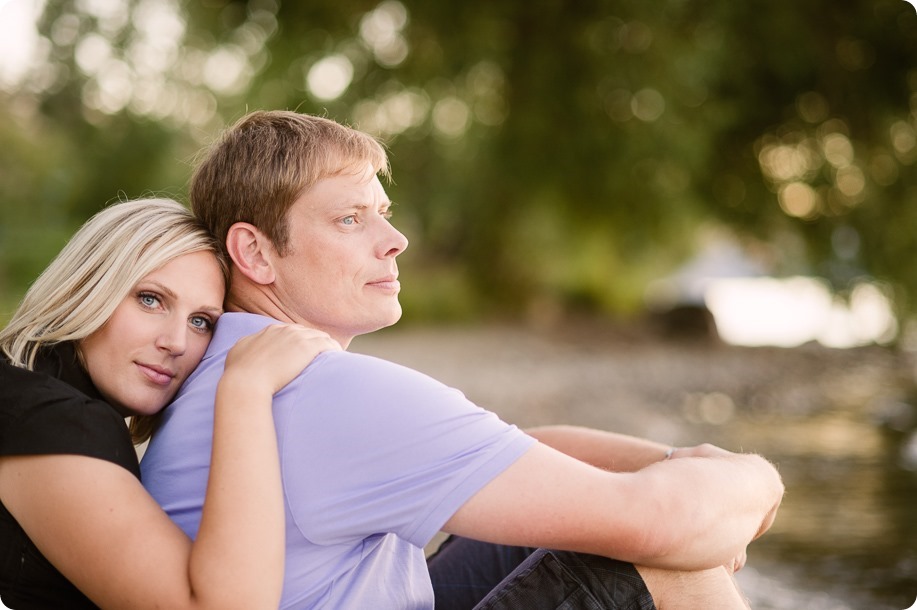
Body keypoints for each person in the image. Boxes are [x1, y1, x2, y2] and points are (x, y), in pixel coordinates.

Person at [141, 111, 785, 609]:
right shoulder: (328, 392)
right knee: (668, 556)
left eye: (383, 215)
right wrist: (756, 481)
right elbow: (665, 525)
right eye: (349, 219)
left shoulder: (223, 362)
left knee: (543, 505)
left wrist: (674, 462)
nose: (395, 241)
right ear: (254, 254)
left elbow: (513, 452)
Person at [0, 198, 338, 609]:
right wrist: (246, 388)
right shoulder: (56, 417)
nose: (176, 343)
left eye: (201, 322)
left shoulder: (25, 385)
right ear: (87, 286)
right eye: (150, 299)